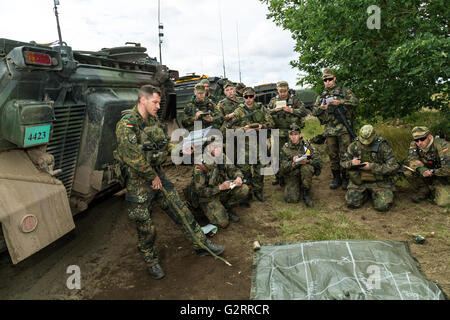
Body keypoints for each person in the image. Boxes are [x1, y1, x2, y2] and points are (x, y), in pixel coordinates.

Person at [115, 85, 224, 280]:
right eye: (155, 102)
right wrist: (152, 178)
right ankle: (151, 261)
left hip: (156, 173)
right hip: (137, 180)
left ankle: (201, 245)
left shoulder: (154, 121)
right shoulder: (127, 124)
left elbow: (163, 146)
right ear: (143, 100)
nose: (158, 106)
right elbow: (132, 157)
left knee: (180, 209)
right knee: (145, 225)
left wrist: (182, 149)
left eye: (159, 102)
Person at [184, 137, 250, 227]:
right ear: (208, 148)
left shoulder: (221, 156)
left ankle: (225, 207)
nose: (219, 150)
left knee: (244, 189)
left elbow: (233, 169)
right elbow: (200, 192)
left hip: (220, 189)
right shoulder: (200, 166)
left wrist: (238, 177)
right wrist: (220, 188)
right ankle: (200, 211)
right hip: (207, 196)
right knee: (222, 223)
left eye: (220, 147)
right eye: (216, 147)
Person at [312, 68, 358, 190]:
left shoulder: (344, 91)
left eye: (330, 79)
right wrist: (322, 108)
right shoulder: (321, 96)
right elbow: (314, 111)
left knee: (345, 154)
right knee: (333, 155)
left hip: (343, 129)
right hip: (329, 131)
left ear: (334, 79)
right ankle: (336, 178)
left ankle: (346, 178)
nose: (327, 82)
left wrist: (340, 102)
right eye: (325, 80)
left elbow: (355, 102)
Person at [228, 87, 274, 202]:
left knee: (259, 170)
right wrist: (242, 129)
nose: (248, 99)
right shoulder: (239, 111)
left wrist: (261, 126)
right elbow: (230, 128)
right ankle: (247, 193)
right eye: (246, 97)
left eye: (250, 96)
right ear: (243, 97)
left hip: (260, 144)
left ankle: (258, 190)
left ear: (254, 96)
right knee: (245, 171)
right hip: (245, 146)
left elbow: (271, 123)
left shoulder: (261, 108)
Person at [340, 125, 399, 212]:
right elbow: (342, 162)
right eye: (363, 141)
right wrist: (351, 163)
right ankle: (365, 194)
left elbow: (393, 166)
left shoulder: (382, 146)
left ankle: (375, 194)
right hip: (359, 181)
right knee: (352, 203)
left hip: (379, 182)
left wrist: (372, 167)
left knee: (382, 206)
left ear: (374, 135)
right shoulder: (354, 146)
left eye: (368, 141)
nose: (366, 143)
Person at [267, 81, 308, 186]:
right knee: (275, 155)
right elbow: (266, 114)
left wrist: (291, 110)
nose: (283, 93)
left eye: (284, 91)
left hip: (292, 132)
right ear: (277, 90)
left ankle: (293, 175)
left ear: (288, 90)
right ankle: (278, 176)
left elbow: (304, 112)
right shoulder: (273, 101)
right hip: (277, 132)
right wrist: (274, 110)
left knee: (292, 154)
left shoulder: (295, 100)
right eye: (280, 91)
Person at [279, 124, 322, 206]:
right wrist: (293, 163)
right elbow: (282, 168)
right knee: (291, 199)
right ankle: (294, 184)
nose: (293, 137)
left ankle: (306, 191)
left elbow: (318, 161)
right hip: (293, 173)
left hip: (304, 171)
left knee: (306, 168)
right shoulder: (285, 148)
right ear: (289, 136)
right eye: (291, 135)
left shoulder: (307, 146)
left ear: (300, 135)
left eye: (296, 134)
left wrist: (307, 161)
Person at [406, 126, 449, 207]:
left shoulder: (443, 146)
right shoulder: (414, 144)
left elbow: (448, 169)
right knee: (408, 171)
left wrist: (432, 171)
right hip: (428, 173)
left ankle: (436, 189)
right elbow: (412, 160)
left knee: (443, 202)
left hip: (444, 177)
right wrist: (422, 169)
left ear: (429, 136)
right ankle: (424, 190)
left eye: (422, 139)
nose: (419, 142)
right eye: (416, 140)